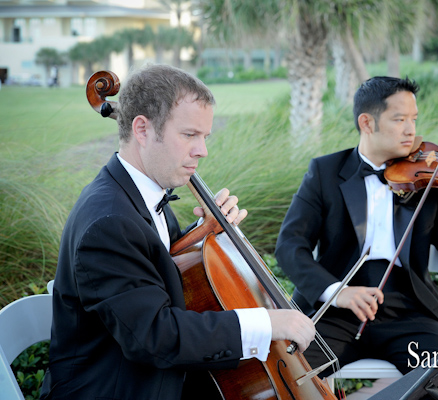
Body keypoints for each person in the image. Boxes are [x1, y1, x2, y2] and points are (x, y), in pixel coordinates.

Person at [40, 64, 315, 400]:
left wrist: (204, 234)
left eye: (205, 137)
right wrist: (268, 323)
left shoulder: (141, 195)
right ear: (142, 129)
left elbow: (158, 269)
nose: (202, 150)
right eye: (189, 135)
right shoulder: (108, 222)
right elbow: (156, 337)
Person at [275, 76, 438, 396]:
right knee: (289, 375)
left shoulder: (428, 176)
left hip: (410, 310)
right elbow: (290, 246)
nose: (411, 130)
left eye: (414, 119)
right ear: (367, 122)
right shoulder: (324, 172)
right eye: (399, 119)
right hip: (337, 312)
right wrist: (339, 292)